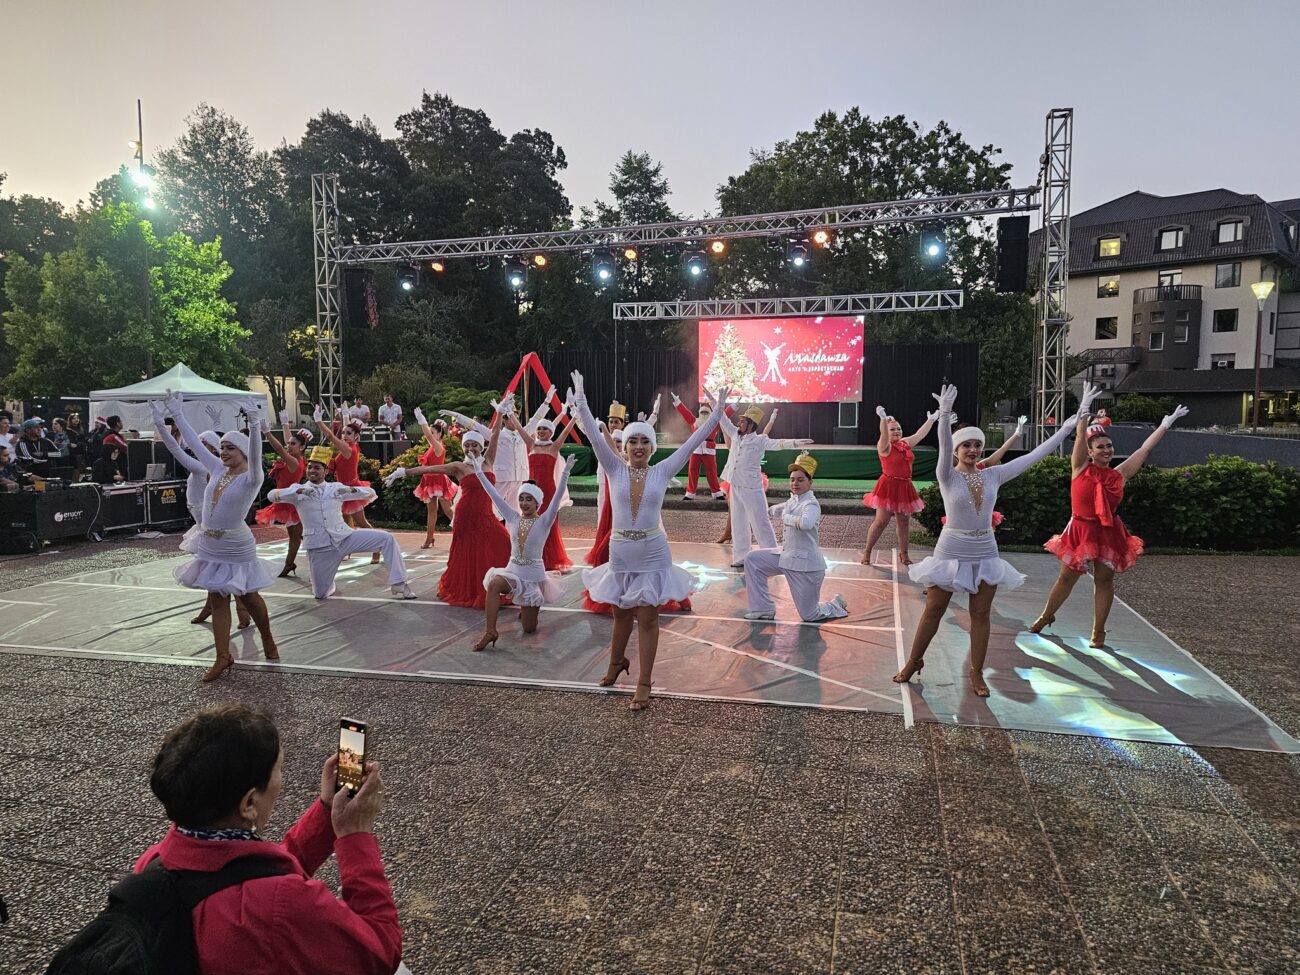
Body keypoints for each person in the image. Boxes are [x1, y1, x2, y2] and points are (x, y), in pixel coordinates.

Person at [135, 704, 403, 975]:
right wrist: (355, 836)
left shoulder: (154, 863)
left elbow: (251, 874)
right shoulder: (280, 905)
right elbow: (381, 950)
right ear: (249, 802)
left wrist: (326, 810)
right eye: (279, 769)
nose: (281, 780)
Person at [894, 382, 1099, 698]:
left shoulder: (993, 475)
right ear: (959, 450)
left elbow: (1035, 455)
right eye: (967, 445)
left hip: (985, 550)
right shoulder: (947, 475)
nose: (973, 450)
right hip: (951, 549)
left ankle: (976, 672)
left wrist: (1072, 425)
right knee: (933, 610)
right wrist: (946, 413)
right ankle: (913, 661)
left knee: (980, 614)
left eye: (978, 445)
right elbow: (944, 446)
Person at [569, 372, 730, 710]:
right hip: (621, 550)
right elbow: (590, 431)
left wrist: (716, 415)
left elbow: (691, 442)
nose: (638, 447)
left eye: (644, 441)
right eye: (633, 442)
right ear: (624, 447)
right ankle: (616, 663)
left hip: (653, 550)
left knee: (648, 616)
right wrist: (581, 398)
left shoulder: (663, 470)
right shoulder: (613, 468)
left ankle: (644, 680)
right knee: (620, 613)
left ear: (651, 446)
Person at [1031, 403, 1189, 647]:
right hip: (1081, 530)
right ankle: (1046, 615)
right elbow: (1081, 438)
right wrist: (1083, 412)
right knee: (1066, 579)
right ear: (1090, 452)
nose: (1106, 450)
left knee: (1104, 581)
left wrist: (1165, 425)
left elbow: (1144, 449)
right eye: (1100, 447)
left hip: (1107, 531)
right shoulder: (1080, 468)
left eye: (1109, 446)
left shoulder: (1119, 474)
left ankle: (1098, 631)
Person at [155, 392, 279, 681]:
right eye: (222, 448)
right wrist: (178, 415)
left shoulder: (252, 478)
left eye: (230, 449)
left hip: (237, 544)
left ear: (243, 453)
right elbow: (193, 446)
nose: (223, 453)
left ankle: (268, 637)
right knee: (217, 596)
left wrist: (254, 421)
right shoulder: (215, 469)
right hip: (210, 543)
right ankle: (223, 655)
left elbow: (257, 455)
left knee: (248, 595)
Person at [385, 425, 512, 610]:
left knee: (504, 541)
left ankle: (499, 586)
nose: (470, 448)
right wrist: (403, 472)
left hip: (486, 515)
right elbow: (429, 469)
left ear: (481, 447)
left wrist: (500, 413)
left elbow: (495, 435)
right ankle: (472, 591)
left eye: (474, 445)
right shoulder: (459, 467)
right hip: (466, 516)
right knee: (467, 553)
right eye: (466, 445)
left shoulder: (488, 462)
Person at [267, 447, 416, 601]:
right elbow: (271, 495)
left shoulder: (335, 487)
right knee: (320, 593)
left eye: (317, 468)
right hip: (320, 547)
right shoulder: (297, 490)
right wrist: (298, 493)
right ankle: (327, 582)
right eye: (310, 467)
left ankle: (399, 582)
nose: (312, 470)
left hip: (344, 537)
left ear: (325, 471)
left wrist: (350, 491)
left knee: (387, 538)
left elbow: (371, 493)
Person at [153, 408, 254, 632]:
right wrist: (165, 424)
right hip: (205, 527)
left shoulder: (202, 466)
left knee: (231, 579)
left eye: (204, 445)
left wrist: (170, 424)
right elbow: (181, 447)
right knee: (215, 578)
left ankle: (241, 612)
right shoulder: (214, 466)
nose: (198, 448)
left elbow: (178, 450)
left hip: (216, 529)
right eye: (221, 448)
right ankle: (220, 611)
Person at [466, 453, 575, 650]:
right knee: (494, 584)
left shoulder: (545, 521)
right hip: (513, 572)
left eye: (529, 499)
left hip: (533, 578)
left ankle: (527, 610)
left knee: (529, 629)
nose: (524, 503)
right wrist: (479, 471)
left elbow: (557, 496)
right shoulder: (513, 517)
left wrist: (565, 472)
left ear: (537, 503)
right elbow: (493, 494)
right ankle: (490, 631)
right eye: (522, 498)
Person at [742, 452, 849, 623]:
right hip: (786, 557)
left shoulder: (811, 504)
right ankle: (763, 608)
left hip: (805, 567)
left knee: (810, 615)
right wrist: (769, 509)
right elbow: (782, 507)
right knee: (752, 560)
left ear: (810, 482)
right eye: (792, 479)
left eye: (800, 480)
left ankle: (835, 604)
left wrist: (784, 516)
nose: (795, 483)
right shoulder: (794, 500)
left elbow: (806, 523)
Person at [716, 404, 812, 568]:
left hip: (752, 487)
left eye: (743, 422)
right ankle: (741, 556)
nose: (739, 424)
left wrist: (795, 442)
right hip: (736, 484)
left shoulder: (760, 440)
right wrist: (716, 403)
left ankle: (772, 556)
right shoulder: (736, 435)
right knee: (739, 522)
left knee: (760, 522)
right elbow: (723, 420)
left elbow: (778, 444)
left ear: (751, 424)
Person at [860, 406, 937, 566]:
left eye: (899, 429)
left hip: (905, 486)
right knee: (881, 522)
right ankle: (867, 551)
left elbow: (920, 434)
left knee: (904, 522)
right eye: (893, 429)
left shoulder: (905, 443)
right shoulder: (884, 447)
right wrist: (882, 418)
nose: (897, 431)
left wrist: (931, 419)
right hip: (888, 486)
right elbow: (883, 434)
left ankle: (904, 554)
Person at [504, 405, 577, 572]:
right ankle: (530, 555)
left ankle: (550, 560)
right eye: (539, 428)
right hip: (531, 490)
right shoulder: (532, 445)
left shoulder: (554, 447)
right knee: (529, 522)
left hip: (548, 491)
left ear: (551, 432)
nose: (541, 431)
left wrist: (575, 416)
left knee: (548, 524)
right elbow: (521, 430)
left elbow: (565, 432)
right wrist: (510, 414)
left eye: (545, 429)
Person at [440, 396, 530, 516]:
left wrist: (547, 403)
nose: (514, 421)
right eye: (511, 418)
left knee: (515, 512)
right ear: (504, 420)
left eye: (516, 417)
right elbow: (475, 426)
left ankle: (512, 534)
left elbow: (535, 420)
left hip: (518, 476)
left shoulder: (522, 434)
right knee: (489, 506)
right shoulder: (498, 434)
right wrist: (457, 416)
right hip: (501, 477)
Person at [316, 408, 381, 563]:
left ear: (356, 436)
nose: (344, 436)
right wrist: (345, 416)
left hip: (351, 491)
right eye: (343, 433)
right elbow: (344, 432)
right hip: (342, 489)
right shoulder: (351, 445)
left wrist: (319, 421)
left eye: (348, 434)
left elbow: (331, 436)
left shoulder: (348, 448)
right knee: (345, 522)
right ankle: (347, 549)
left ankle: (378, 548)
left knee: (361, 522)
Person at [256, 411, 310, 578]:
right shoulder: (295, 457)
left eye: (293, 444)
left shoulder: (294, 461)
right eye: (290, 444)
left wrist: (267, 432)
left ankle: (290, 563)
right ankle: (290, 562)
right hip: (286, 502)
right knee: (294, 535)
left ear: (301, 448)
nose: (289, 446)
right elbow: (286, 443)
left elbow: (280, 448)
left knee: (298, 535)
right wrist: (285, 424)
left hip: (292, 504)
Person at [410, 408, 457, 549]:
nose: (430, 435)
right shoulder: (432, 446)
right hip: (429, 481)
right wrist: (423, 422)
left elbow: (429, 437)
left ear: (440, 434)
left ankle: (465, 531)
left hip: (439, 481)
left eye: (433, 432)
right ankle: (429, 538)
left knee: (448, 510)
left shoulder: (438, 447)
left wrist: (422, 421)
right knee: (431, 511)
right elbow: (429, 438)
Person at [672, 394, 727, 500]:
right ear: (699, 413)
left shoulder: (714, 423)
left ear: (710, 413)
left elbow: (725, 414)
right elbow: (685, 413)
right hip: (696, 450)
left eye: (706, 412)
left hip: (709, 450)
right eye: (702, 412)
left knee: (712, 472)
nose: (704, 414)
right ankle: (690, 492)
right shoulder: (694, 422)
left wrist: (734, 406)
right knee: (692, 471)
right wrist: (678, 402)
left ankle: (716, 492)